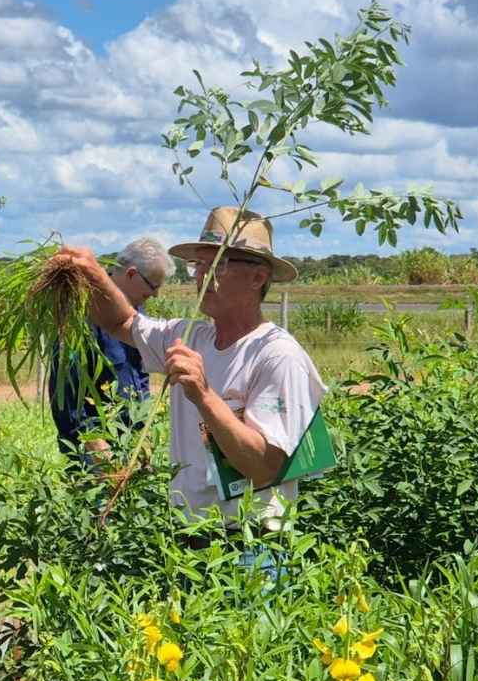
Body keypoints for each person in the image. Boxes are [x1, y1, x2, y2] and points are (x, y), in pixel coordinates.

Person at [55, 206, 327, 524]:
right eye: (198, 265)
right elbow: (121, 322)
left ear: (258, 277)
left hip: (248, 544)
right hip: (186, 539)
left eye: (218, 265)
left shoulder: (276, 355)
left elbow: (266, 468)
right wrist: (93, 274)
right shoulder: (188, 337)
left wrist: (204, 394)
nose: (201, 277)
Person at [48, 237, 172, 460]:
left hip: (130, 443)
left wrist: (141, 434)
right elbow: (66, 391)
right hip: (93, 451)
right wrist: (95, 444)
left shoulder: (138, 315)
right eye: (153, 286)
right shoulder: (81, 313)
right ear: (132, 274)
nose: (155, 295)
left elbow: (140, 379)